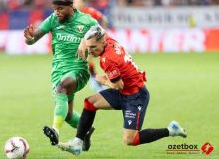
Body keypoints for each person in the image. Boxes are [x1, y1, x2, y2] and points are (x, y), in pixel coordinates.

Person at [57, 25, 187, 155]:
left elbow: (118, 86)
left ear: (102, 42)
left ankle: (171, 130)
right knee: (90, 103)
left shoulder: (108, 60)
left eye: (93, 47)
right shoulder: (108, 40)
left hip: (135, 96)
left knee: (130, 139)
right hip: (124, 92)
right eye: (88, 46)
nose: (90, 51)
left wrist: (102, 80)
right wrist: (82, 44)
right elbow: (92, 36)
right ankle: (77, 143)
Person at [23, 0, 98, 151]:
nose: (56, 12)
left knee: (62, 89)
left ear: (70, 7)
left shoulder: (87, 21)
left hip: (78, 70)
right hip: (58, 71)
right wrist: (29, 38)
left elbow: (103, 39)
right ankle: (85, 130)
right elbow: (33, 39)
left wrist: (86, 42)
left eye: (60, 9)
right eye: (54, 8)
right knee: (68, 114)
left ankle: (55, 130)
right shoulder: (53, 19)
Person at [73, 0, 108, 92]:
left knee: (88, 61)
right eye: (75, 2)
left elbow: (104, 19)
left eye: (79, 2)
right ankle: (94, 79)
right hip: (77, 42)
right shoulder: (71, 15)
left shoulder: (90, 11)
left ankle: (97, 81)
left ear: (83, 3)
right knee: (84, 63)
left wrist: (102, 33)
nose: (77, 4)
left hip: (89, 42)